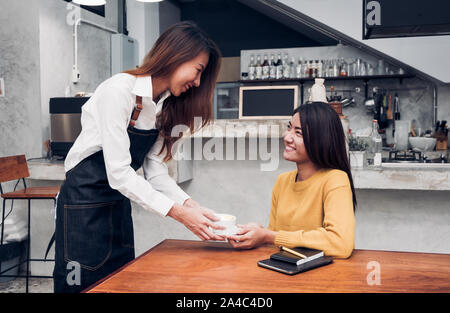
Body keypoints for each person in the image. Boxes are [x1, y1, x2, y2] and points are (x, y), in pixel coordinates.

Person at [52, 21, 224, 293]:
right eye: (198, 70)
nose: (198, 82)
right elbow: (119, 173)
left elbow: (154, 170)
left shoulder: (164, 105)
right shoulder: (119, 90)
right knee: (78, 285)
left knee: (120, 283)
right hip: (81, 207)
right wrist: (179, 214)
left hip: (116, 206)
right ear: (177, 55)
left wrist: (191, 205)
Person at [227, 102, 356, 258]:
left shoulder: (335, 180)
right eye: (289, 128)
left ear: (321, 139)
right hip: (285, 271)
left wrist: (268, 235)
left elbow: (340, 244)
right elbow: (277, 241)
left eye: (298, 133)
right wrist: (258, 233)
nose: (287, 137)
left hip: (322, 277)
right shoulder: (282, 181)